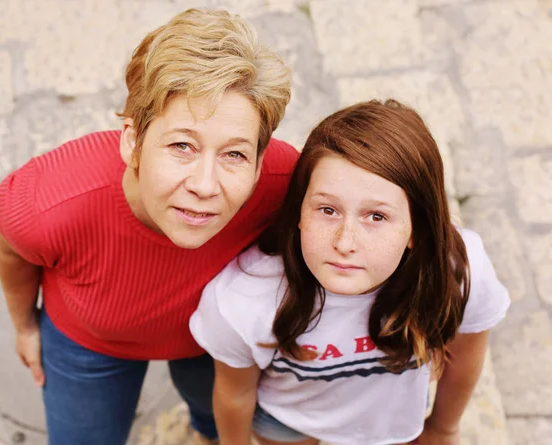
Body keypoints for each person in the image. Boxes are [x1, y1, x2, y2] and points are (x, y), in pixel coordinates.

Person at [0, 8, 298, 445]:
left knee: (220, 425)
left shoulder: (285, 183)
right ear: (132, 139)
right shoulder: (48, 203)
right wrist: (25, 326)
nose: (206, 186)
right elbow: (11, 245)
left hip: (211, 341)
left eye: (234, 154)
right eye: (181, 145)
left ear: (260, 160)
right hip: (90, 342)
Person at [190, 99, 511, 445]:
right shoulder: (242, 301)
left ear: (416, 229)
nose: (345, 242)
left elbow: (466, 352)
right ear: (299, 211)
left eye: (376, 217)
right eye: (328, 210)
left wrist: (443, 427)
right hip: (289, 422)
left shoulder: (460, 269)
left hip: (390, 421)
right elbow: (234, 394)